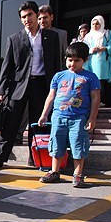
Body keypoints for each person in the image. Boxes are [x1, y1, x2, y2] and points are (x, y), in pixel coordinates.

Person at [0, 1, 62, 169]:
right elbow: (7, 67)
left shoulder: (51, 37)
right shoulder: (14, 39)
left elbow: (56, 65)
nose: (27, 19)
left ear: (37, 15)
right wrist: (0, 90)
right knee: (10, 123)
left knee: (38, 124)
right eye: (23, 17)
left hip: (41, 85)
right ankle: (0, 158)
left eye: (30, 15)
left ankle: (36, 159)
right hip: (18, 86)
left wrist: (57, 88)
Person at [37, 42, 100, 188]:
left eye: (77, 60)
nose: (72, 63)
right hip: (58, 116)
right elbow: (51, 96)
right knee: (56, 145)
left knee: (78, 145)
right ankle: (54, 172)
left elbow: (96, 98)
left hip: (79, 118)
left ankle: (78, 174)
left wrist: (92, 118)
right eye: (70, 60)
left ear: (85, 60)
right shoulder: (58, 76)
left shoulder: (91, 77)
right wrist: (44, 115)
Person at [83, 15, 111, 107]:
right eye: (93, 24)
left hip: (103, 63)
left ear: (102, 24)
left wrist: (105, 48)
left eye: (98, 24)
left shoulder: (107, 34)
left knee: (100, 81)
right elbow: (84, 48)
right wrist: (91, 50)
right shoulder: (88, 36)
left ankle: (99, 100)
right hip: (90, 62)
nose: (95, 26)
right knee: (91, 81)